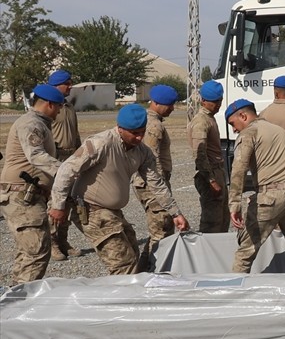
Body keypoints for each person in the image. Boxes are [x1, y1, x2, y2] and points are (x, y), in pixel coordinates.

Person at [49, 104, 188, 276]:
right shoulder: (101, 143)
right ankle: (123, 299)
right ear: (120, 129)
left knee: (133, 253)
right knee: (124, 264)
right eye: (134, 133)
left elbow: (157, 184)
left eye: (142, 132)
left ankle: (131, 294)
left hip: (112, 212)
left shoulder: (142, 152)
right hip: (91, 210)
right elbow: (66, 170)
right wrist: (58, 206)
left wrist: (176, 213)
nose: (139, 138)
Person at [225, 99, 285, 276]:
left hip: (270, 197)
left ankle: (235, 297)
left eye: (233, 124)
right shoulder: (279, 130)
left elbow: (238, 170)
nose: (234, 130)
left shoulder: (249, 132)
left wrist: (234, 204)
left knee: (245, 253)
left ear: (243, 116)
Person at [1, 84, 64, 283]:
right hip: (22, 196)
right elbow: (36, 156)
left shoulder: (40, 123)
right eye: (59, 106)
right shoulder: (31, 123)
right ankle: (20, 305)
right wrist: (66, 171)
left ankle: (14, 296)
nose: (61, 110)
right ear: (50, 104)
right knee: (36, 253)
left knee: (28, 251)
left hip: (28, 195)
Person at [135, 84, 179, 269]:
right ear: (158, 104)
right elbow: (151, 161)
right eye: (169, 105)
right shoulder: (154, 126)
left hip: (151, 183)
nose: (172, 109)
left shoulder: (151, 121)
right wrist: (162, 188)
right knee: (162, 230)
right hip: (152, 185)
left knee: (159, 229)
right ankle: (153, 271)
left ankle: (144, 268)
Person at [47, 69, 83, 260]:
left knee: (68, 203)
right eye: (67, 83)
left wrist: (80, 155)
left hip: (70, 158)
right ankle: (52, 243)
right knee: (55, 202)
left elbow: (75, 134)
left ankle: (63, 241)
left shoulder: (68, 106)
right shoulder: (49, 106)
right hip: (55, 159)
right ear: (56, 85)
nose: (70, 87)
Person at [190, 80, 230, 233]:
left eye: (219, 101)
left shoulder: (209, 118)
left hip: (217, 171)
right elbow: (200, 154)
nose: (218, 105)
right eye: (214, 102)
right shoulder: (201, 121)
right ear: (203, 101)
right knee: (211, 222)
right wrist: (211, 180)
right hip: (209, 174)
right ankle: (206, 255)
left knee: (222, 219)